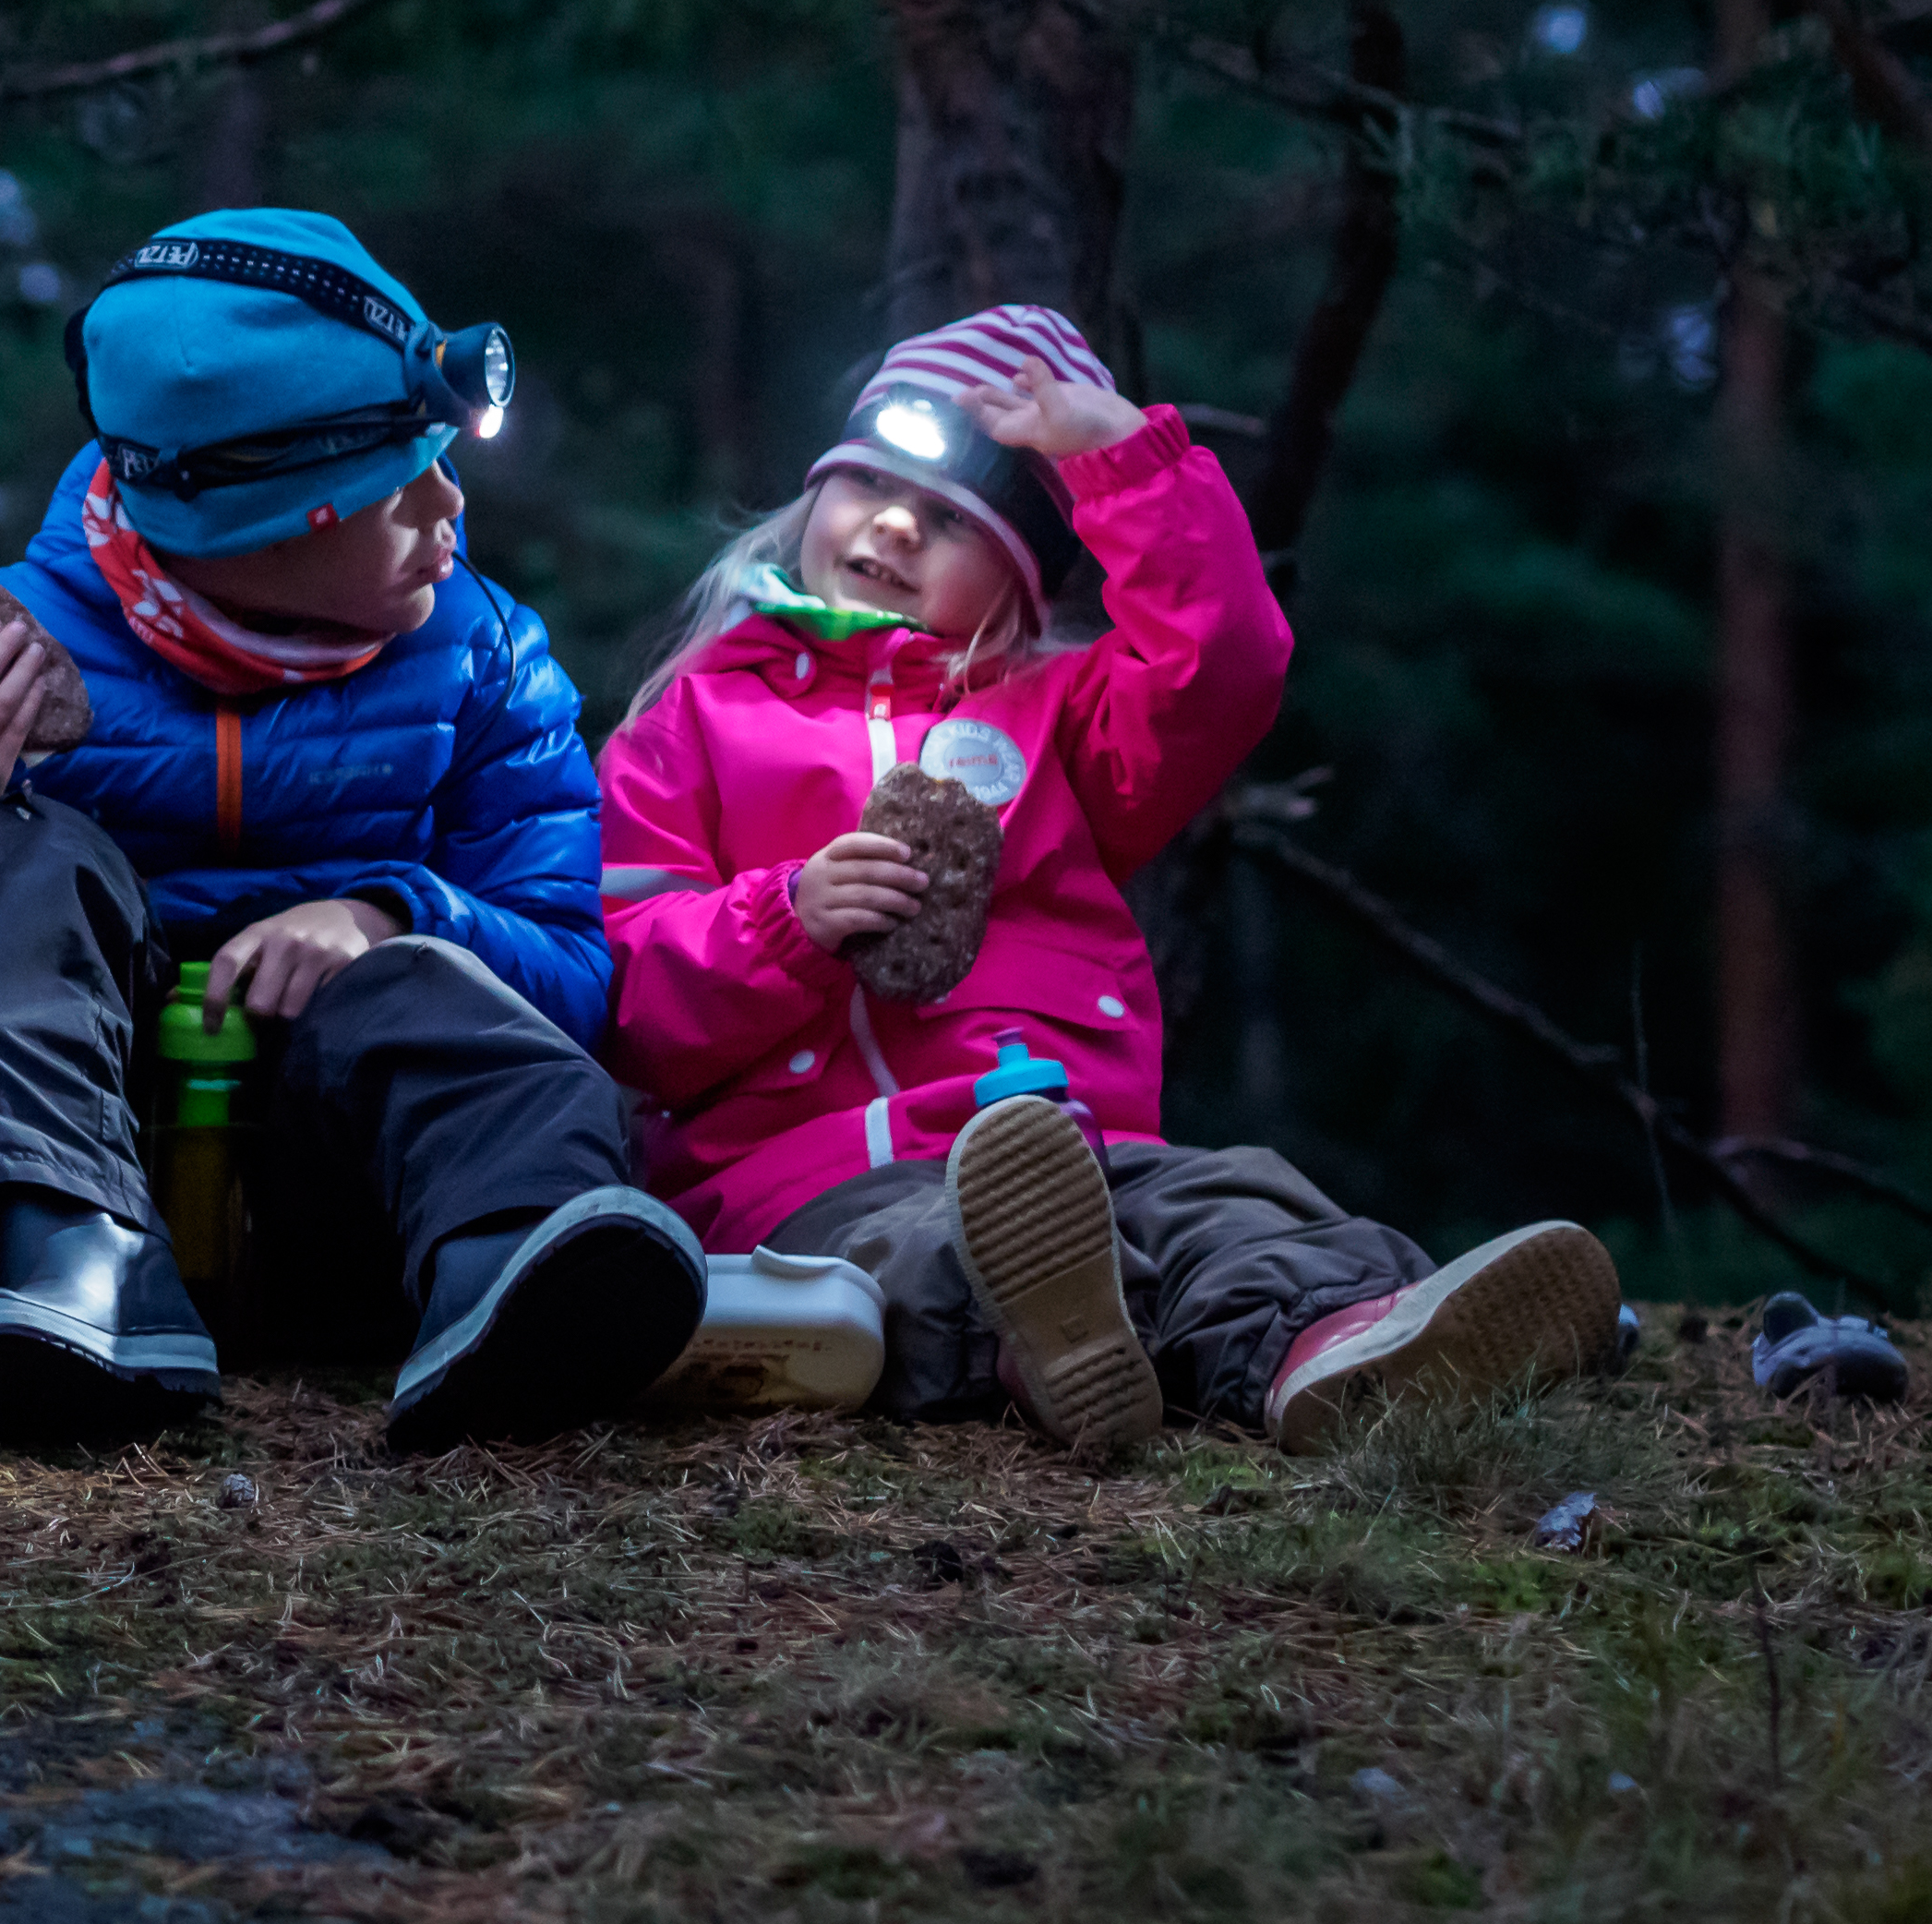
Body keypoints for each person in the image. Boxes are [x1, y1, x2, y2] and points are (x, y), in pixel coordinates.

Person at [597, 306, 1623, 1452]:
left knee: (1227, 1205)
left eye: (947, 518)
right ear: (816, 490)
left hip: (1071, 1137)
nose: (892, 524)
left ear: (1019, 577)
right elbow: (626, 991)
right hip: (811, 1174)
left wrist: (1117, 457)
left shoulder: (1063, 716)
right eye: (869, 486)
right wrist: (787, 920)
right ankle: (1046, 1346)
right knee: (918, 1259)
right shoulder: (697, 717)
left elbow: (1224, 664)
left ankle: (1336, 1348)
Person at [0, 210, 707, 1454]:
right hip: (74, 1171)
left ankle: (510, 1270)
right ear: (251, 532)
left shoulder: (478, 657)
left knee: (417, 967)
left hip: (367, 1205)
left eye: (439, 455)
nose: (447, 501)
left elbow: (573, 978)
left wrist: (387, 914)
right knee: (15, 853)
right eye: (393, 487)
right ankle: (69, 1281)